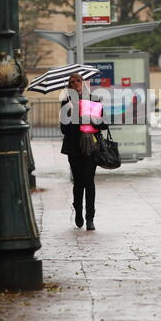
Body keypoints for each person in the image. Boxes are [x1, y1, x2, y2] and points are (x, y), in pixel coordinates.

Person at [60, 74, 108, 231]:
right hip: (73, 148)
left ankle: (90, 218)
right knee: (79, 181)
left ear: (83, 83)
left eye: (78, 81)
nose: (75, 84)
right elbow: (64, 129)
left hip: (91, 147)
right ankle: (78, 211)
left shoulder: (94, 99)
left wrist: (91, 120)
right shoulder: (67, 102)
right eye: (71, 82)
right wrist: (77, 119)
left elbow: (104, 124)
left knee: (89, 180)